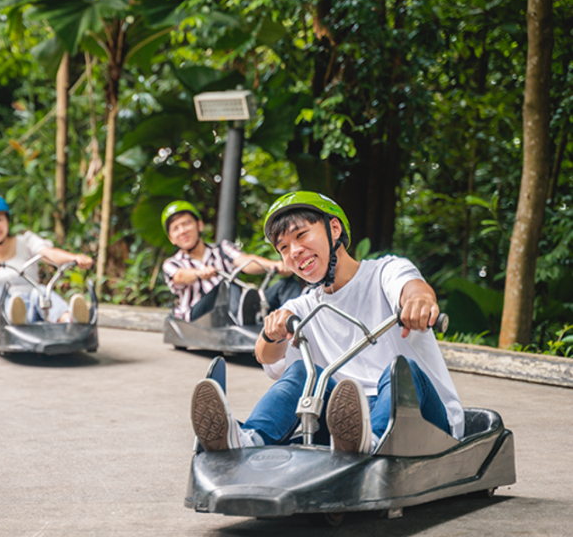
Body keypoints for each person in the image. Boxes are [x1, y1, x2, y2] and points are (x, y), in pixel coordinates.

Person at [190, 191, 464, 454]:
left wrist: (419, 302)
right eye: (283, 247)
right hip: (346, 420)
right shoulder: (304, 306)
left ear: (334, 229)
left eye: (301, 235)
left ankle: (374, 441)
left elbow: (413, 287)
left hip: (426, 420)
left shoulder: (384, 271)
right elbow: (264, 354)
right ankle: (249, 439)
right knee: (300, 373)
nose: (294, 251)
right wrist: (273, 332)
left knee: (400, 371)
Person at [161, 200, 302, 325]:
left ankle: (297, 325)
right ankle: (241, 320)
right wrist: (199, 273)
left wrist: (275, 265)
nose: (183, 231)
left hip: (235, 306)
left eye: (186, 223)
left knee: (286, 286)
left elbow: (245, 261)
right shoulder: (172, 263)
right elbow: (179, 276)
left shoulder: (222, 249)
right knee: (226, 284)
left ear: (200, 225)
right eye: (176, 228)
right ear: (171, 238)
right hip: (197, 315)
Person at [0, 194, 93, 325]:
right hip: (3, 316)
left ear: (7, 221)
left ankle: (70, 320)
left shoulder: (26, 242)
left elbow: (49, 254)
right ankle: (13, 320)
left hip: (34, 309)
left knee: (41, 291)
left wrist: (75, 258)